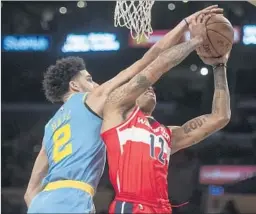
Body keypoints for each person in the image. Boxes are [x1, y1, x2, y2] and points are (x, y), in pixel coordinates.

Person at [24, 5, 222, 213]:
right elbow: (149, 59)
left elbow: (30, 192)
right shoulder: (91, 99)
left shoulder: (50, 127)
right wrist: (185, 25)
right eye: (89, 79)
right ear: (75, 86)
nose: (96, 84)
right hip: (73, 198)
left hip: (41, 203)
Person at [101, 14, 231, 213]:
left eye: (152, 88)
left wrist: (219, 65)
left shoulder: (167, 135)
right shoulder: (116, 113)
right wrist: (196, 39)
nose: (150, 87)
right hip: (132, 204)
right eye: (144, 87)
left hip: (162, 207)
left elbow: (220, 117)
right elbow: (158, 66)